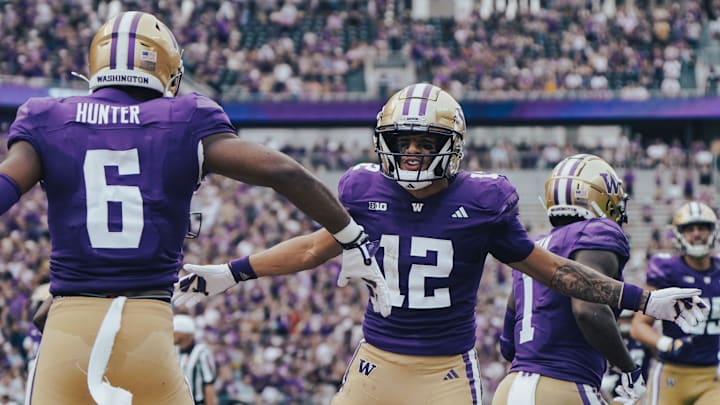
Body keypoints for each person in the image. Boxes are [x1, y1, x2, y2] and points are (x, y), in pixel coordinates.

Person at [174, 83, 708, 404]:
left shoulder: (483, 200)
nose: (409, 153)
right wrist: (231, 271)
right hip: (374, 363)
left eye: (423, 142)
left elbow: (553, 271)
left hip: (445, 370)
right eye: (400, 142)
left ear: (449, 147)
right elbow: (315, 247)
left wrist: (641, 299)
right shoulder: (362, 188)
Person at [3, 11, 390, 405]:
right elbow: (282, 171)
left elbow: (6, 184)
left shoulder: (46, 117)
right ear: (167, 69)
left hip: (68, 326)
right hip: (146, 328)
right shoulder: (185, 118)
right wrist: (350, 235)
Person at [492, 154, 645, 405]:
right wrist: (629, 368)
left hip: (509, 390)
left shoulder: (535, 249)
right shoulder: (598, 232)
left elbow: (508, 346)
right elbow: (587, 308)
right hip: (563, 387)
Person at [630, 201, 720, 405]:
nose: (697, 234)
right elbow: (638, 326)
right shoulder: (667, 271)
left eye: (702, 228)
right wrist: (667, 344)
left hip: (712, 375)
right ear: (679, 234)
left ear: (712, 231)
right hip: (672, 373)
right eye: (690, 229)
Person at [173, 315, 217, 405]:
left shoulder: (201, 352)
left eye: (174, 332)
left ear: (185, 334)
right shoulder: (175, 351)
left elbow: (209, 384)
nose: (172, 334)